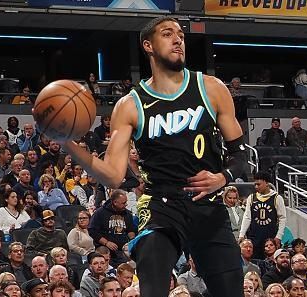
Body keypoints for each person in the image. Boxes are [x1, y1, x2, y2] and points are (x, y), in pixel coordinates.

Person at [58, 16, 246, 297]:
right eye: (168, 34)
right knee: (153, 285)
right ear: (148, 45)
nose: (178, 39)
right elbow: (112, 174)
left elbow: (241, 156)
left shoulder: (211, 88)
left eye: (181, 35)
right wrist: (68, 144)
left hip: (208, 206)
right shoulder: (130, 104)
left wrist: (223, 177)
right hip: (162, 207)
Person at [239, 171, 286, 259]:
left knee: (271, 262)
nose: (256, 187)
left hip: (271, 236)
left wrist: (279, 236)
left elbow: (282, 219)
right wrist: (242, 234)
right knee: (254, 261)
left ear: (267, 183)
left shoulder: (277, 198)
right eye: (255, 184)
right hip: (254, 236)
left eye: (259, 184)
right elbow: (247, 217)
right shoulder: (251, 197)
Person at [89, 189, 136, 267]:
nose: (126, 204)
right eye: (123, 203)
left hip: (122, 251)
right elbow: (92, 231)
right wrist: (107, 242)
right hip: (104, 251)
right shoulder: (100, 213)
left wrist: (131, 242)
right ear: (115, 202)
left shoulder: (127, 214)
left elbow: (131, 230)